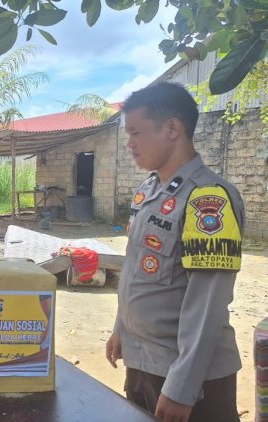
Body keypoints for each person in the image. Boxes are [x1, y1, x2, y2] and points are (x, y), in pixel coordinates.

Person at [106, 82, 243, 422]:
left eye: (136, 132)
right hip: (144, 363)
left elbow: (208, 302)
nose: (130, 143)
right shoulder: (150, 189)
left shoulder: (208, 198)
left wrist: (182, 386)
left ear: (171, 128)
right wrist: (120, 328)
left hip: (189, 376)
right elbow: (138, 266)